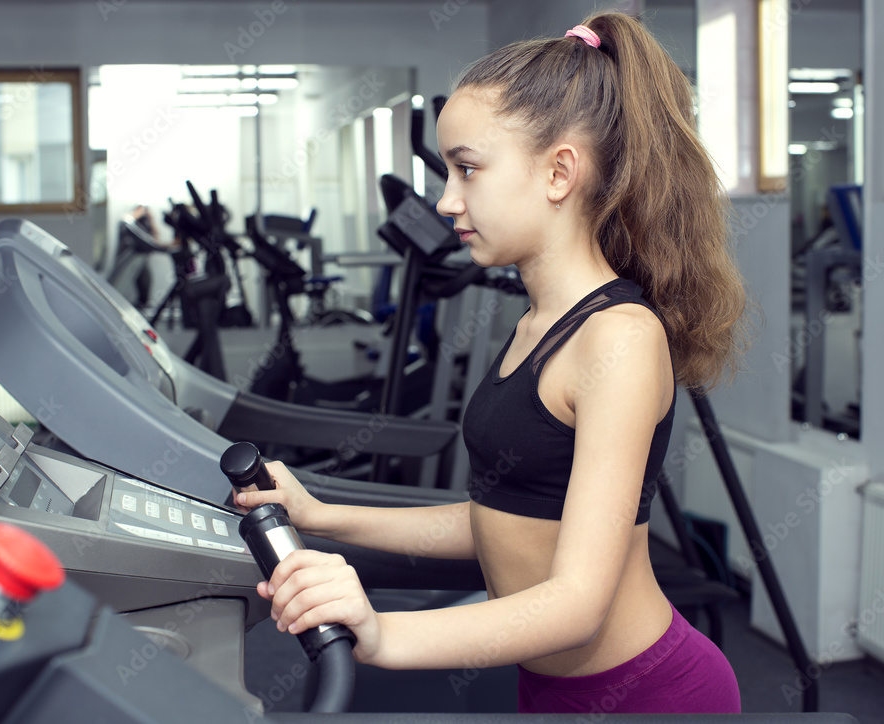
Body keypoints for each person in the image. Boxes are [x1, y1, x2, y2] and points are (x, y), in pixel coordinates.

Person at [235, 11, 749, 714]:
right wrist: (322, 514)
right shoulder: (536, 325)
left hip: (649, 693)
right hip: (549, 686)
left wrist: (382, 634)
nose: (447, 200)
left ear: (560, 172)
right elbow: (498, 521)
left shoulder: (619, 338)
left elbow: (576, 605)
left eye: (468, 169)